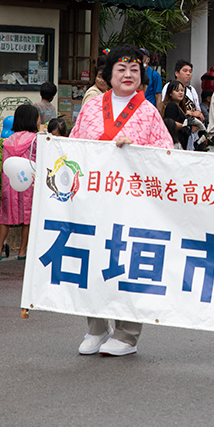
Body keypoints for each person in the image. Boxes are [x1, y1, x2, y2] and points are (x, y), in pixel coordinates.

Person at [70, 43, 173, 357]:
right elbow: (74, 145)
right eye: (121, 69)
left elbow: (167, 155)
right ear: (108, 74)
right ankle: (96, 327)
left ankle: (128, 333)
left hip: (132, 204)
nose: (128, 75)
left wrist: (136, 152)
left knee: (127, 264)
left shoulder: (148, 112)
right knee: (93, 263)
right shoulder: (90, 107)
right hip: (93, 200)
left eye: (135, 70)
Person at [0, 103, 39, 262]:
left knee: (6, 217)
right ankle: (22, 251)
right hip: (28, 184)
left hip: (10, 184)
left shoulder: (8, 140)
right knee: (28, 218)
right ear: (32, 120)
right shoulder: (35, 140)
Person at [160, 60, 203, 149]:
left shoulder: (192, 90)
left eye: (190, 71)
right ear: (176, 73)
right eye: (185, 71)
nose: (188, 74)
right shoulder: (170, 100)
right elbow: (170, 122)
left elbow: (198, 110)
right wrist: (188, 126)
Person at [160, 80, 192, 149]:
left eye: (182, 90)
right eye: (177, 91)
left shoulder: (180, 107)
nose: (180, 93)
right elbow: (170, 123)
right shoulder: (171, 105)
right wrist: (188, 126)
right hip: (175, 143)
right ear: (170, 93)